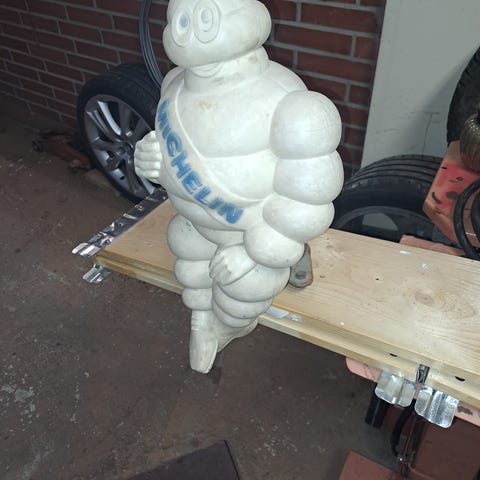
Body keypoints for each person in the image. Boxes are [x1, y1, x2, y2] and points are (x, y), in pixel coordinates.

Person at [134, 0, 343, 373]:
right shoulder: (174, 85)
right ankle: (202, 317)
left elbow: (306, 198)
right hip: (196, 222)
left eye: (206, 20)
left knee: (246, 291)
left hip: (251, 235)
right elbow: (175, 158)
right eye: (182, 22)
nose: (192, 38)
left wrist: (255, 251)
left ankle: (229, 326)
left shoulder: (290, 104)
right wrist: (154, 163)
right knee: (190, 262)